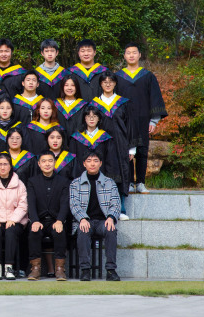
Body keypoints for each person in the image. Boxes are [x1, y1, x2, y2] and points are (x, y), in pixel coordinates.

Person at [116, 43, 167, 194]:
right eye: (128, 53)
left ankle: (140, 182)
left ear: (139, 55)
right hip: (124, 120)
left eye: (134, 52)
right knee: (126, 151)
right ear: (124, 56)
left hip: (143, 119)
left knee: (142, 150)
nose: (131, 55)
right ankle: (128, 182)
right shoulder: (118, 77)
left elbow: (155, 98)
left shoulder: (148, 76)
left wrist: (153, 121)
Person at [90, 70, 136, 216]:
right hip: (100, 144)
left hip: (120, 144)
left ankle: (120, 208)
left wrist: (131, 149)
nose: (108, 84)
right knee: (100, 174)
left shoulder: (123, 103)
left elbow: (130, 126)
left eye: (111, 81)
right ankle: (101, 210)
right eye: (105, 82)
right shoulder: (94, 104)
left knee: (120, 175)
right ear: (101, 84)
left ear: (115, 83)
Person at [70, 152, 121, 281]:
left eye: (95, 160)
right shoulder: (76, 183)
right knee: (83, 230)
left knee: (111, 230)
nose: (92, 164)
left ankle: (111, 270)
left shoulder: (109, 183)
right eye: (89, 161)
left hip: (103, 221)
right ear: (84, 164)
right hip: (85, 220)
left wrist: (111, 217)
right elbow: (74, 204)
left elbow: (116, 203)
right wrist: (82, 218)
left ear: (100, 163)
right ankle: (85, 270)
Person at [68, 107, 123, 220]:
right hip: (81, 179)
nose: (91, 119)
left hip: (101, 178)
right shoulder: (76, 138)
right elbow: (73, 160)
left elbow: (110, 160)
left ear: (99, 119)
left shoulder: (106, 138)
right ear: (84, 118)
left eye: (94, 116)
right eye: (88, 116)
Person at [27, 151, 70, 281]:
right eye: (44, 161)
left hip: (55, 220)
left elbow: (65, 203)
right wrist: (34, 220)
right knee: (34, 232)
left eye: (50, 161)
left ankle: (60, 269)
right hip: (39, 220)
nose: (47, 164)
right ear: (39, 164)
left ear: (55, 163)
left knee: (59, 232)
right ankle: (35, 268)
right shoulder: (32, 181)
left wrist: (60, 220)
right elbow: (31, 203)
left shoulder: (63, 181)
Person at [0, 152, 28, 280]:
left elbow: (23, 205)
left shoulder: (19, 184)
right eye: (0, 164)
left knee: (11, 232)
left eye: (5, 164)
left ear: (10, 166)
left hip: (14, 221)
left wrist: (13, 219)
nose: (2, 167)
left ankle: (9, 267)